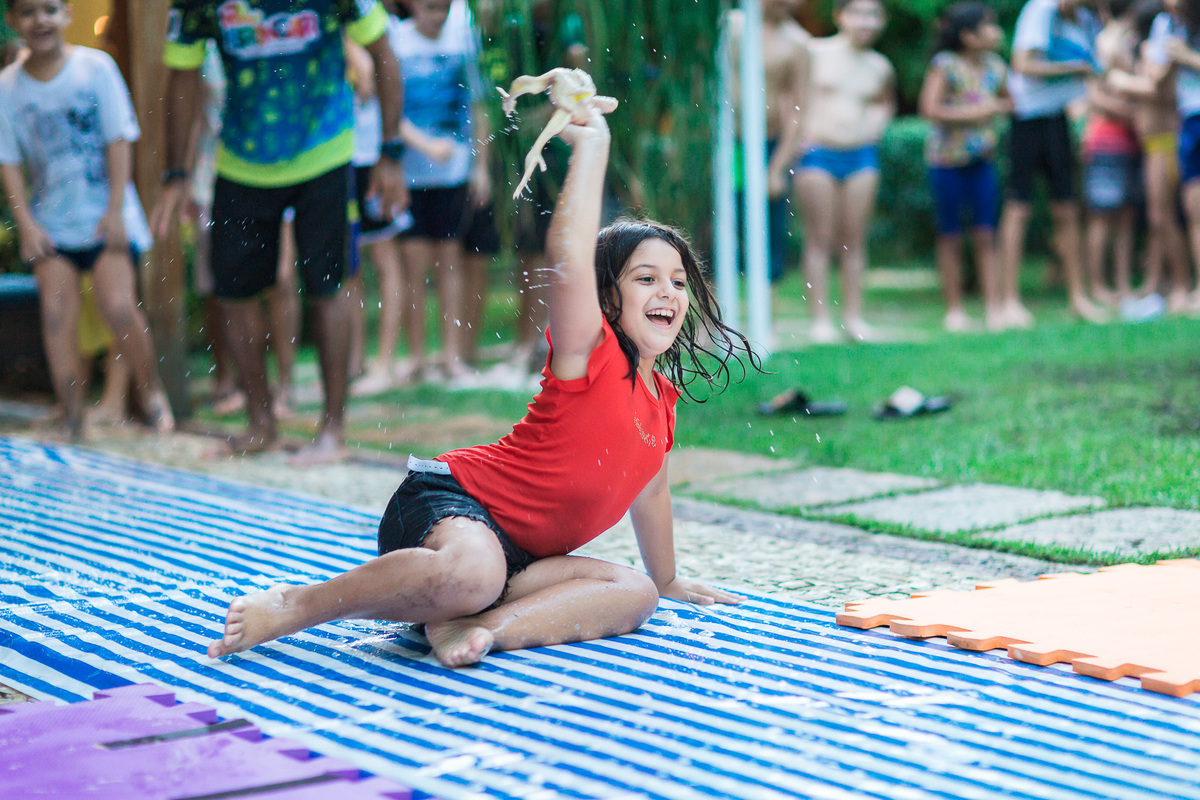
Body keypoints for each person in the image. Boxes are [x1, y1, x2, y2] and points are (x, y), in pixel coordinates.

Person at [205, 103, 756, 668]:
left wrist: (666, 578)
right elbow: (568, 258)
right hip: (451, 507)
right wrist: (591, 151)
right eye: (646, 278)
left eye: (678, 281)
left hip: (520, 562)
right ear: (605, 297)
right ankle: (299, 605)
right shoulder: (590, 352)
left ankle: (478, 627)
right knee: (474, 571)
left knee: (634, 594)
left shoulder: (660, 405)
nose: (668, 291)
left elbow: (653, 493)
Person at [153, 0, 407, 463]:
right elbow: (182, 78)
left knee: (327, 286)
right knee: (234, 292)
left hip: (325, 149)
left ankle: (333, 430)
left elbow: (384, 52)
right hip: (241, 159)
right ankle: (260, 424)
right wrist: (175, 174)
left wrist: (391, 154)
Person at [0, 0, 174, 441]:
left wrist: (115, 210)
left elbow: (119, 139)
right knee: (57, 317)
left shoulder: (95, 69)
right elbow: (9, 163)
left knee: (118, 306)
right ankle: (72, 414)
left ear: (67, 15)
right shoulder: (8, 87)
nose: (40, 20)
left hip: (102, 216)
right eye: (28, 12)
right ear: (12, 21)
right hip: (51, 222)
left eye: (50, 10)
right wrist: (27, 225)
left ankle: (154, 397)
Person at [391, 0, 489, 382]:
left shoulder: (464, 38)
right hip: (410, 176)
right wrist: (425, 146)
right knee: (413, 266)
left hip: (454, 173)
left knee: (450, 262)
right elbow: (389, 111)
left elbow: (479, 105)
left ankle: (451, 357)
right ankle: (417, 357)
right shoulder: (396, 43)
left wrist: (480, 166)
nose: (439, 13)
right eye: (431, 6)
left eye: (445, 6)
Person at [997, 0, 1108, 327]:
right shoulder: (1041, 10)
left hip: (1058, 119)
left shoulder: (1086, 19)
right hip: (1027, 118)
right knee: (1018, 208)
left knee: (1068, 209)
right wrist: (1075, 69)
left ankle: (1078, 299)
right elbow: (1023, 65)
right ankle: (1008, 302)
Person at [789, 0, 894, 343]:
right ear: (840, 16)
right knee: (819, 237)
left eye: (873, 15)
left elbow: (884, 102)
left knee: (854, 240)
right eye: (858, 13)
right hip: (817, 152)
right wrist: (797, 133)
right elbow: (790, 93)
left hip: (861, 155)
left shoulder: (880, 66)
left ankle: (854, 317)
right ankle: (820, 319)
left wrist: (875, 127)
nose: (866, 21)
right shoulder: (815, 52)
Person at [918, 1, 1011, 332]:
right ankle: (954, 310)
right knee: (950, 236)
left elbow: (1008, 100)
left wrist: (998, 107)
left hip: (982, 161)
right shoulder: (945, 65)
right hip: (945, 162)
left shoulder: (997, 67)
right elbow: (929, 108)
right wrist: (977, 113)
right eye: (990, 25)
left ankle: (994, 308)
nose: (997, 32)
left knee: (987, 233)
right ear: (969, 36)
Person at [1107, 0, 1191, 309]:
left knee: (1164, 215)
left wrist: (1124, 82)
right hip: (1153, 142)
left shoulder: (1164, 50)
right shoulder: (1151, 52)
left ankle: (1182, 285)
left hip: (1165, 141)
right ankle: (1163, 282)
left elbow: (1161, 92)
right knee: (1160, 218)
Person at [731, 0, 811, 285]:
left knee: (769, 233)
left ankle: (768, 318)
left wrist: (777, 167)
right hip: (728, 143)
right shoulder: (730, 27)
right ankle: (710, 315)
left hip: (769, 143)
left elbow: (799, 110)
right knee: (719, 229)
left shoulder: (798, 43)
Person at [1082, 0, 1144, 309]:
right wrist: (1133, 111)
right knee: (1103, 216)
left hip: (1131, 141)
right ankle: (1097, 285)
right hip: (1106, 141)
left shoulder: (1126, 41)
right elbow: (1093, 96)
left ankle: (1120, 285)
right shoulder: (1104, 44)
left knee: (1125, 218)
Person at [1148, 0, 1200, 307]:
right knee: (1194, 209)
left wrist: (1188, 58)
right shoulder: (1165, 25)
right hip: (1189, 120)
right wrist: (1168, 64)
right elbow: (1157, 83)